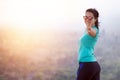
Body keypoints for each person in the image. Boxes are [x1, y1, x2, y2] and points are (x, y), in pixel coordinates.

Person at [76, 8, 101, 80]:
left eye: (90, 18)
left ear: (95, 19)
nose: (87, 19)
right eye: (86, 17)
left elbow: (91, 32)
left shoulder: (95, 30)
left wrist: (88, 26)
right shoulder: (86, 30)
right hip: (92, 65)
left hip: (87, 64)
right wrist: (88, 26)